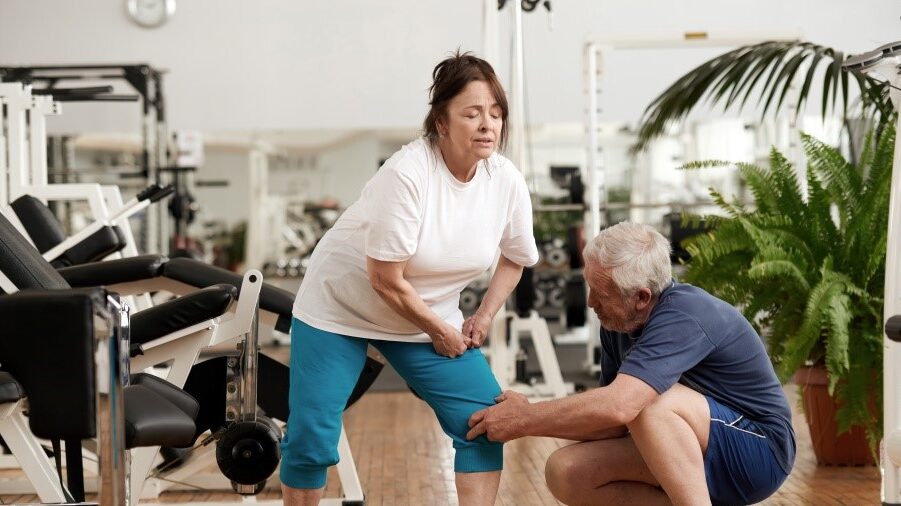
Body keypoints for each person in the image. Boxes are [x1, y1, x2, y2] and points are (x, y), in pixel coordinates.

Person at [280, 51, 539, 506]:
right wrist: (440, 329)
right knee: (311, 439)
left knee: (483, 423)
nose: (487, 125)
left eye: (496, 114)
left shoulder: (505, 180)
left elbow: (515, 257)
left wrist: (482, 314)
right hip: (341, 306)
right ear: (441, 122)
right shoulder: (407, 173)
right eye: (473, 113)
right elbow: (383, 278)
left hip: (425, 312)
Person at [466, 222, 795, 506]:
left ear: (641, 297)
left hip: (758, 452)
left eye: (601, 293)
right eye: (590, 288)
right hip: (694, 449)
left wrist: (524, 419)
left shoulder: (685, 315)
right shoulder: (618, 323)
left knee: (649, 402)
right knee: (567, 471)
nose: (591, 302)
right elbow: (609, 423)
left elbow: (621, 406)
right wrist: (526, 416)